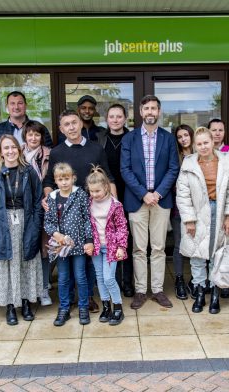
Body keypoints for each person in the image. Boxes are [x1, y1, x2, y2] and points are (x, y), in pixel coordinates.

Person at [43, 110, 116, 313]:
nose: (71, 127)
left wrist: (115, 205)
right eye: (66, 124)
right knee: (68, 260)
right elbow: (49, 181)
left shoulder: (96, 149)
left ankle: (88, 297)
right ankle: (70, 300)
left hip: (93, 209)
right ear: (61, 129)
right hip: (66, 213)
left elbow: (108, 177)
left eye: (74, 122)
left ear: (81, 124)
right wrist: (48, 198)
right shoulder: (56, 152)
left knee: (89, 256)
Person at [121, 95, 180, 310]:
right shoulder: (130, 139)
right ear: (140, 111)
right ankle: (139, 291)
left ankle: (157, 290)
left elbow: (174, 168)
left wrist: (158, 193)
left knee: (158, 247)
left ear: (159, 111)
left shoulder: (168, 138)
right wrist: (143, 194)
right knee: (138, 248)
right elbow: (125, 170)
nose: (150, 112)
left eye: (154, 108)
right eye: (146, 108)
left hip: (160, 201)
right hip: (137, 200)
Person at [176, 127, 229, 314]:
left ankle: (214, 293)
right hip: (196, 214)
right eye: (199, 144)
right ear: (194, 145)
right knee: (197, 255)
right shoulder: (188, 164)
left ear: (213, 142)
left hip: (219, 213)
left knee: (215, 255)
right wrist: (188, 219)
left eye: (206, 142)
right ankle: (199, 292)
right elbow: (183, 194)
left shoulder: (227, 162)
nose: (203, 147)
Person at [0, 135, 45, 325]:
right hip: (3, 224)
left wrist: (35, 224)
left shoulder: (28, 172)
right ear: (1, 152)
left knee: (25, 263)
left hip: (26, 222)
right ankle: (10, 306)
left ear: (19, 149)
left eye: (13, 147)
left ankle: (26, 302)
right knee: (8, 265)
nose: (10, 151)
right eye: (6, 148)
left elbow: (37, 201)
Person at [44, 163, 94, 326]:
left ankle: (83, 307)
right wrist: (57, 235)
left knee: (80, 275)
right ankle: (64, 308)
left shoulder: (80, 194)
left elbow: (87, 218)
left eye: (67, 179)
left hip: (78, 244)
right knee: (64, 277)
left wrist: (89, 240)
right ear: (56, 181)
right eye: (60, 179)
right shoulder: (52, 197)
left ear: (73, 178)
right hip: (61, 246)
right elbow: (49, 221)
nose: (64, 182)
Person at [96, 104, 133, 297]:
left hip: (129, 192)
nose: (115, 120)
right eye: (112, 116)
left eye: (119, 116)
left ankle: (127, 282)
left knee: (125, 239)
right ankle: (113, 282)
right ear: (106, 119)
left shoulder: (132, 138)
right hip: (105, 195)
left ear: (125, 118)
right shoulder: (99, 138)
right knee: (107, 238)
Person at [87, 166, 128, 325]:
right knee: (100, 278)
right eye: (91, 191)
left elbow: (122, 227)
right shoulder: (89, 203)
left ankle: (118, 307)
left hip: (112, 247)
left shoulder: (115, 205)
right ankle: (106, 307)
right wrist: (88, 242)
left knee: (109, 278)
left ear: (106, 187)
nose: (94, 194)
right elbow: (88, 225)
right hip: (97, 247)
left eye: (97, 191)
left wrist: (121, 247)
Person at [0, 91, 53, 176]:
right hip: (5, 181)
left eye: (20, 103)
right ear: (7, 107)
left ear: (25, 106)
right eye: (12, 103)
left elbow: (50, 157)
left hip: (37, 180)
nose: (16, 107)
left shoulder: (40, 129)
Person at [22, 120, 53, 306]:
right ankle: (26, 290)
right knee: (25, 248)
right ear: (25, 135)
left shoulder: (49, 155)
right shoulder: (16, 153)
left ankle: (43, 288)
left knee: (44, 249)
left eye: (37, 134)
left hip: (43, 207)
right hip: (20, 209)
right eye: (30, 134)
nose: (33, 138)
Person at [171, 124, 194, 300]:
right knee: (179, 244)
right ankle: (179, 278)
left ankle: (196, 280)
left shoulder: (200, 153)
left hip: (200, 206)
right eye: (180, 136)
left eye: (186, 135)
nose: (183, 139)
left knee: (197, 243)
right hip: (179, 206)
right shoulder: (175, 157)